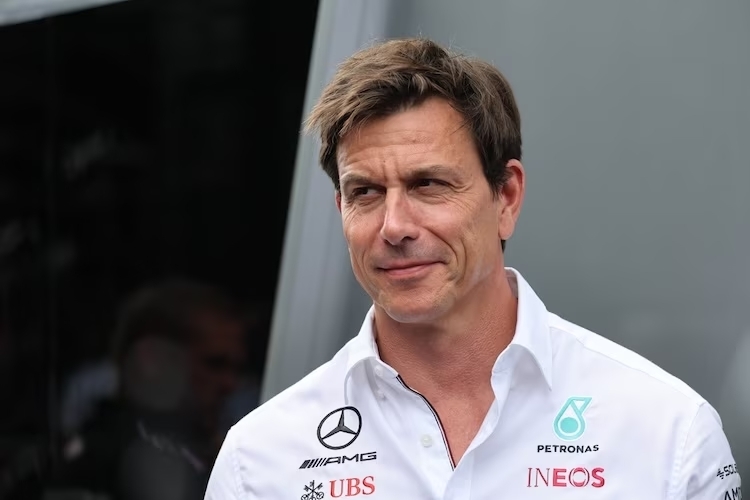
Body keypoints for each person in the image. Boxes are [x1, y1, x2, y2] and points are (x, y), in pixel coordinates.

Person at [204, 37, 741, 499]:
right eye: (365, 192)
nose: (395, 226)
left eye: (428, 184)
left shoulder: (666, 432)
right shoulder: (261, 460)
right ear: (341, 209)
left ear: (506, 197)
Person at [49, 278, 248, 500]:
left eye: (237, 369)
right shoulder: (97, 469)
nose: (230, 383)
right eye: (214, 364)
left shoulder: (217, 459)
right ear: (152, 360)